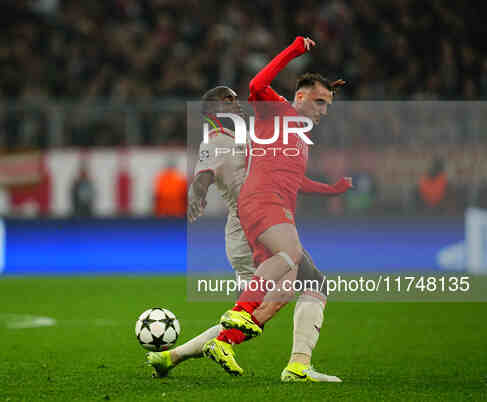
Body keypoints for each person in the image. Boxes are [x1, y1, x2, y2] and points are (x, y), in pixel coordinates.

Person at [202, 36, 352, 382]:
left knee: (299, 287)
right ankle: (240, 313)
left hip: (274, 208)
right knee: (292, 255)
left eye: (327, 105)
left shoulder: (297, 134)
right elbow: (257, 83)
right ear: (300, 97)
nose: (323, 111)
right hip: (263, 204)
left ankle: (233, 345)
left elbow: (296, 181)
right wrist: (295, 49)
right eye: (319, 102)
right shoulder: (277, 108)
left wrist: (331, 190)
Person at [146, 85, 254, 377]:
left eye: (236, 98)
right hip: (246, 230)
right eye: (227, 99)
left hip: (259, 224)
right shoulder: (215, 141)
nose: (236, 102)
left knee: (253, 311)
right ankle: (300, 363)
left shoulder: (238, 136)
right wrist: (197, 195)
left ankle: (172, 357)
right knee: (254, 310)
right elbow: (202, 177)